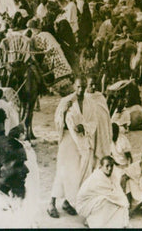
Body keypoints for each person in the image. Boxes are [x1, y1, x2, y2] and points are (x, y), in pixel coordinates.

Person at [48, 77, 98, 218]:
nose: (81, 90)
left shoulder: (90, 103)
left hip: (82, 141)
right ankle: (51, 203)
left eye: (83, 87)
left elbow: (94, 121)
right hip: (68, 140)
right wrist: (64, 111)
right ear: (74, 86)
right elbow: (58, 122)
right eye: (78, 87)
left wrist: (85, 126)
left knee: (77, 173)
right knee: (62, 171)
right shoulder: (66, 101)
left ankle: (67, 202)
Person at [76, 156, 129, 228]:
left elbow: (116, 189)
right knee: (106, 201)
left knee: (116, 205)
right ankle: (92, 220)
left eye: (111, 166)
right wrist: (122, 200)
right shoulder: (97, 177)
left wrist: (122, 199)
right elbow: (110, 193)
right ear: (101, 166)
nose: (110, 169)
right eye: (107, 166)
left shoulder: (111, 175)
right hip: (84, 205)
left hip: (95, 200)